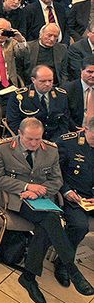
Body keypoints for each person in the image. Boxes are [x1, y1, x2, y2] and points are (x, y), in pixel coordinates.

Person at [0, 117, 94, 303]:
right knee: (50, 219)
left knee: (45, 226)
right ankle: (71, 268)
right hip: (17, 197)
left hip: (43, 199)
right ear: (19, 134)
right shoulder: (4, 148)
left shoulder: (51, 150)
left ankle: (29, 277)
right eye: (29, 139)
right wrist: (26, 187)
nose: (34, 143)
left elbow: (57, 180)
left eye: (38, 139)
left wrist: (42, 190)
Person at [56, 118, 94, 287]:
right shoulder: (68, 143)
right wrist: (66, 190)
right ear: (85, 129)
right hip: (74, 195)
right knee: (80, 226)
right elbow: (54, 171)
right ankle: (63, 261)